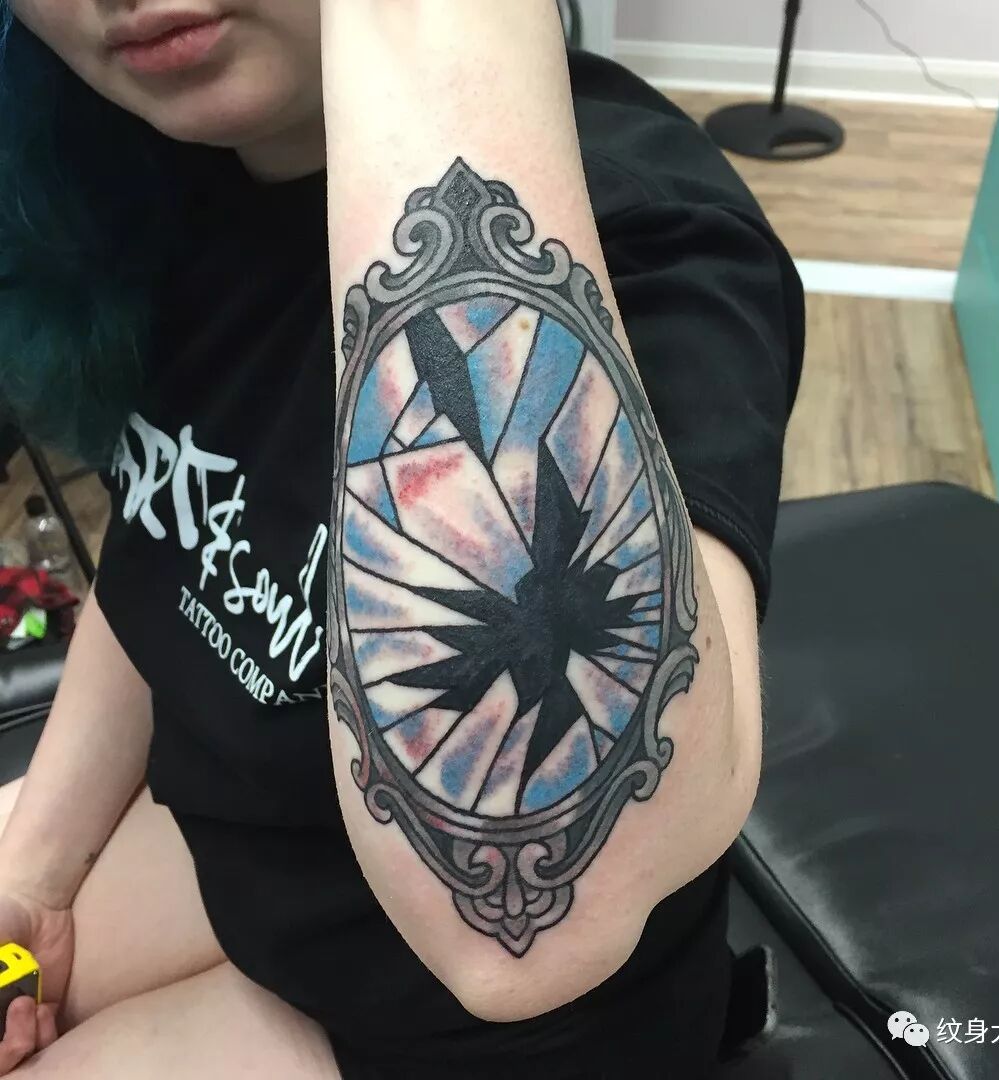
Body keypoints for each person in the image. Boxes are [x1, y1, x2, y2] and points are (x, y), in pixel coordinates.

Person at [0, 2, 803, 1076]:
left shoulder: (647, 239)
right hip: (263, 869)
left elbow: (528, 928)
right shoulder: (167, 172)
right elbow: (173, 544)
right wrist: (34, 870)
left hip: (476, 1039)